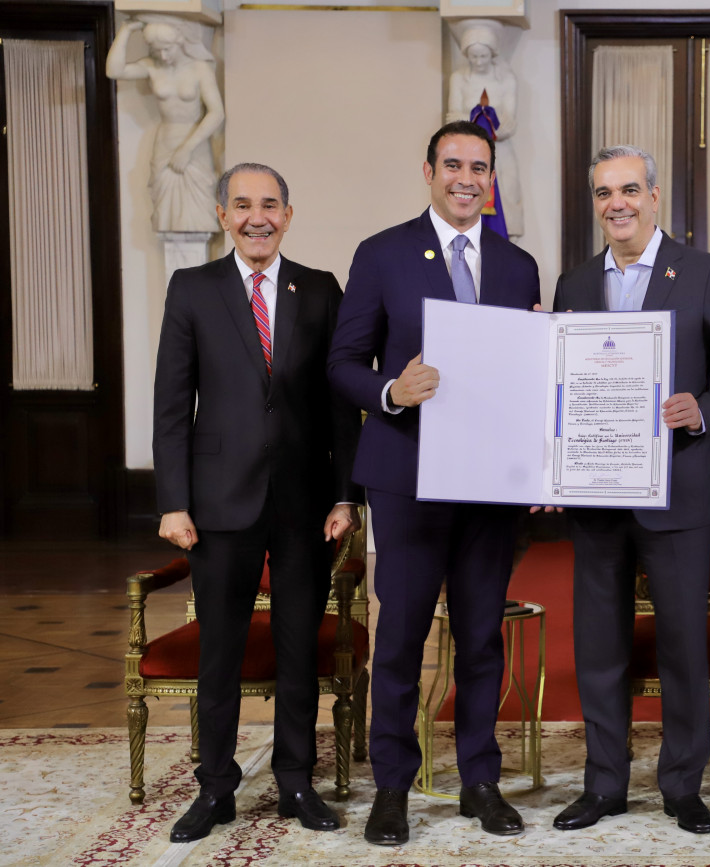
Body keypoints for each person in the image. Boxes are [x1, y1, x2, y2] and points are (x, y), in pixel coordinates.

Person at [327, 121, 541, 845]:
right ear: (428, 172)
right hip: (408, 476)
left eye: (478, 168)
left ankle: (480, 780)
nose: (465, 179)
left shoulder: (518, 265)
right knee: (401, 637)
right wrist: (392, 390)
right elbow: (343, 362)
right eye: (453, 165)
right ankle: (393, 787)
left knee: (481, 637)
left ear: (491, 179)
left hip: (492, 481)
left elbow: (521, 372)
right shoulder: (382, 253)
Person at [549, 145, 710, 835]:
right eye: (604, 192)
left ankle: (682, 785)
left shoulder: (704, 273)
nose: (618, 203)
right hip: (595, 494)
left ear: (655, 196)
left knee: (681, 647)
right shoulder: (574, 283)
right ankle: (604, 784)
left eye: (630, 189)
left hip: (678, 492)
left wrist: (702, 409)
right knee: (598, 647)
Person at [152, 163, 362, 842]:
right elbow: (170, 403)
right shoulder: (192, 288)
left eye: (270, 205)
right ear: (223, 216)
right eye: (242, 205)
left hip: (306, 505)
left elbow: (340, 405)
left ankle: (296, 780)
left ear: (288, 216)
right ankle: (215, 786)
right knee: (221, 651)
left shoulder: (320, 289)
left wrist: (345, 494)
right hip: (217, 505)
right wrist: (173, 501)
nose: (257, 217)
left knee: (300, 650)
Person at [106, 15, 224, 234]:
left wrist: (187, 149)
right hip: (165, 143)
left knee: (198, 214)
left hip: (194, 144)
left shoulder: (199, 68)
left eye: (168, 49)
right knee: (166, 216)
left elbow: (216, 113)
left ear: (180, 42)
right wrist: (126, 30)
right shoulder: (152, 66)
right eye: (157, 50)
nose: (163, 55)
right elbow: (113, 71)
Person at [445, 19, 523, 240]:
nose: (478, 62)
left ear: (493, 53)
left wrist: (482, 118)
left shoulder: (506, 79)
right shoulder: (459, 78)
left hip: (500, 148)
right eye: (473, 56)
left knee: (508, 191)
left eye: (483, 56)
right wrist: (482, 117)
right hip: (466, 150)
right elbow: (452, 117)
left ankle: (508, 243)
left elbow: (508, 122)